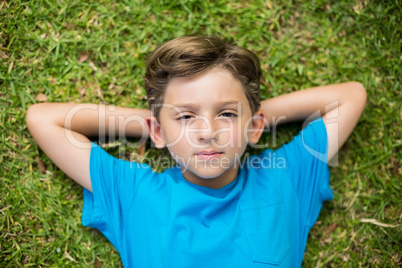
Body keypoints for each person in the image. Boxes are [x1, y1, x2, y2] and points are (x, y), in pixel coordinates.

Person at [26, 36, 366, 267]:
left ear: (256, 126)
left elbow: (350, 97)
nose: (207, 133)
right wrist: (156, 121)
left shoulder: (285, 178)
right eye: (187, 117)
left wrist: (249, 116)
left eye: (226, 114)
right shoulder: (134, 195)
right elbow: (44, 119)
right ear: (158, 132)